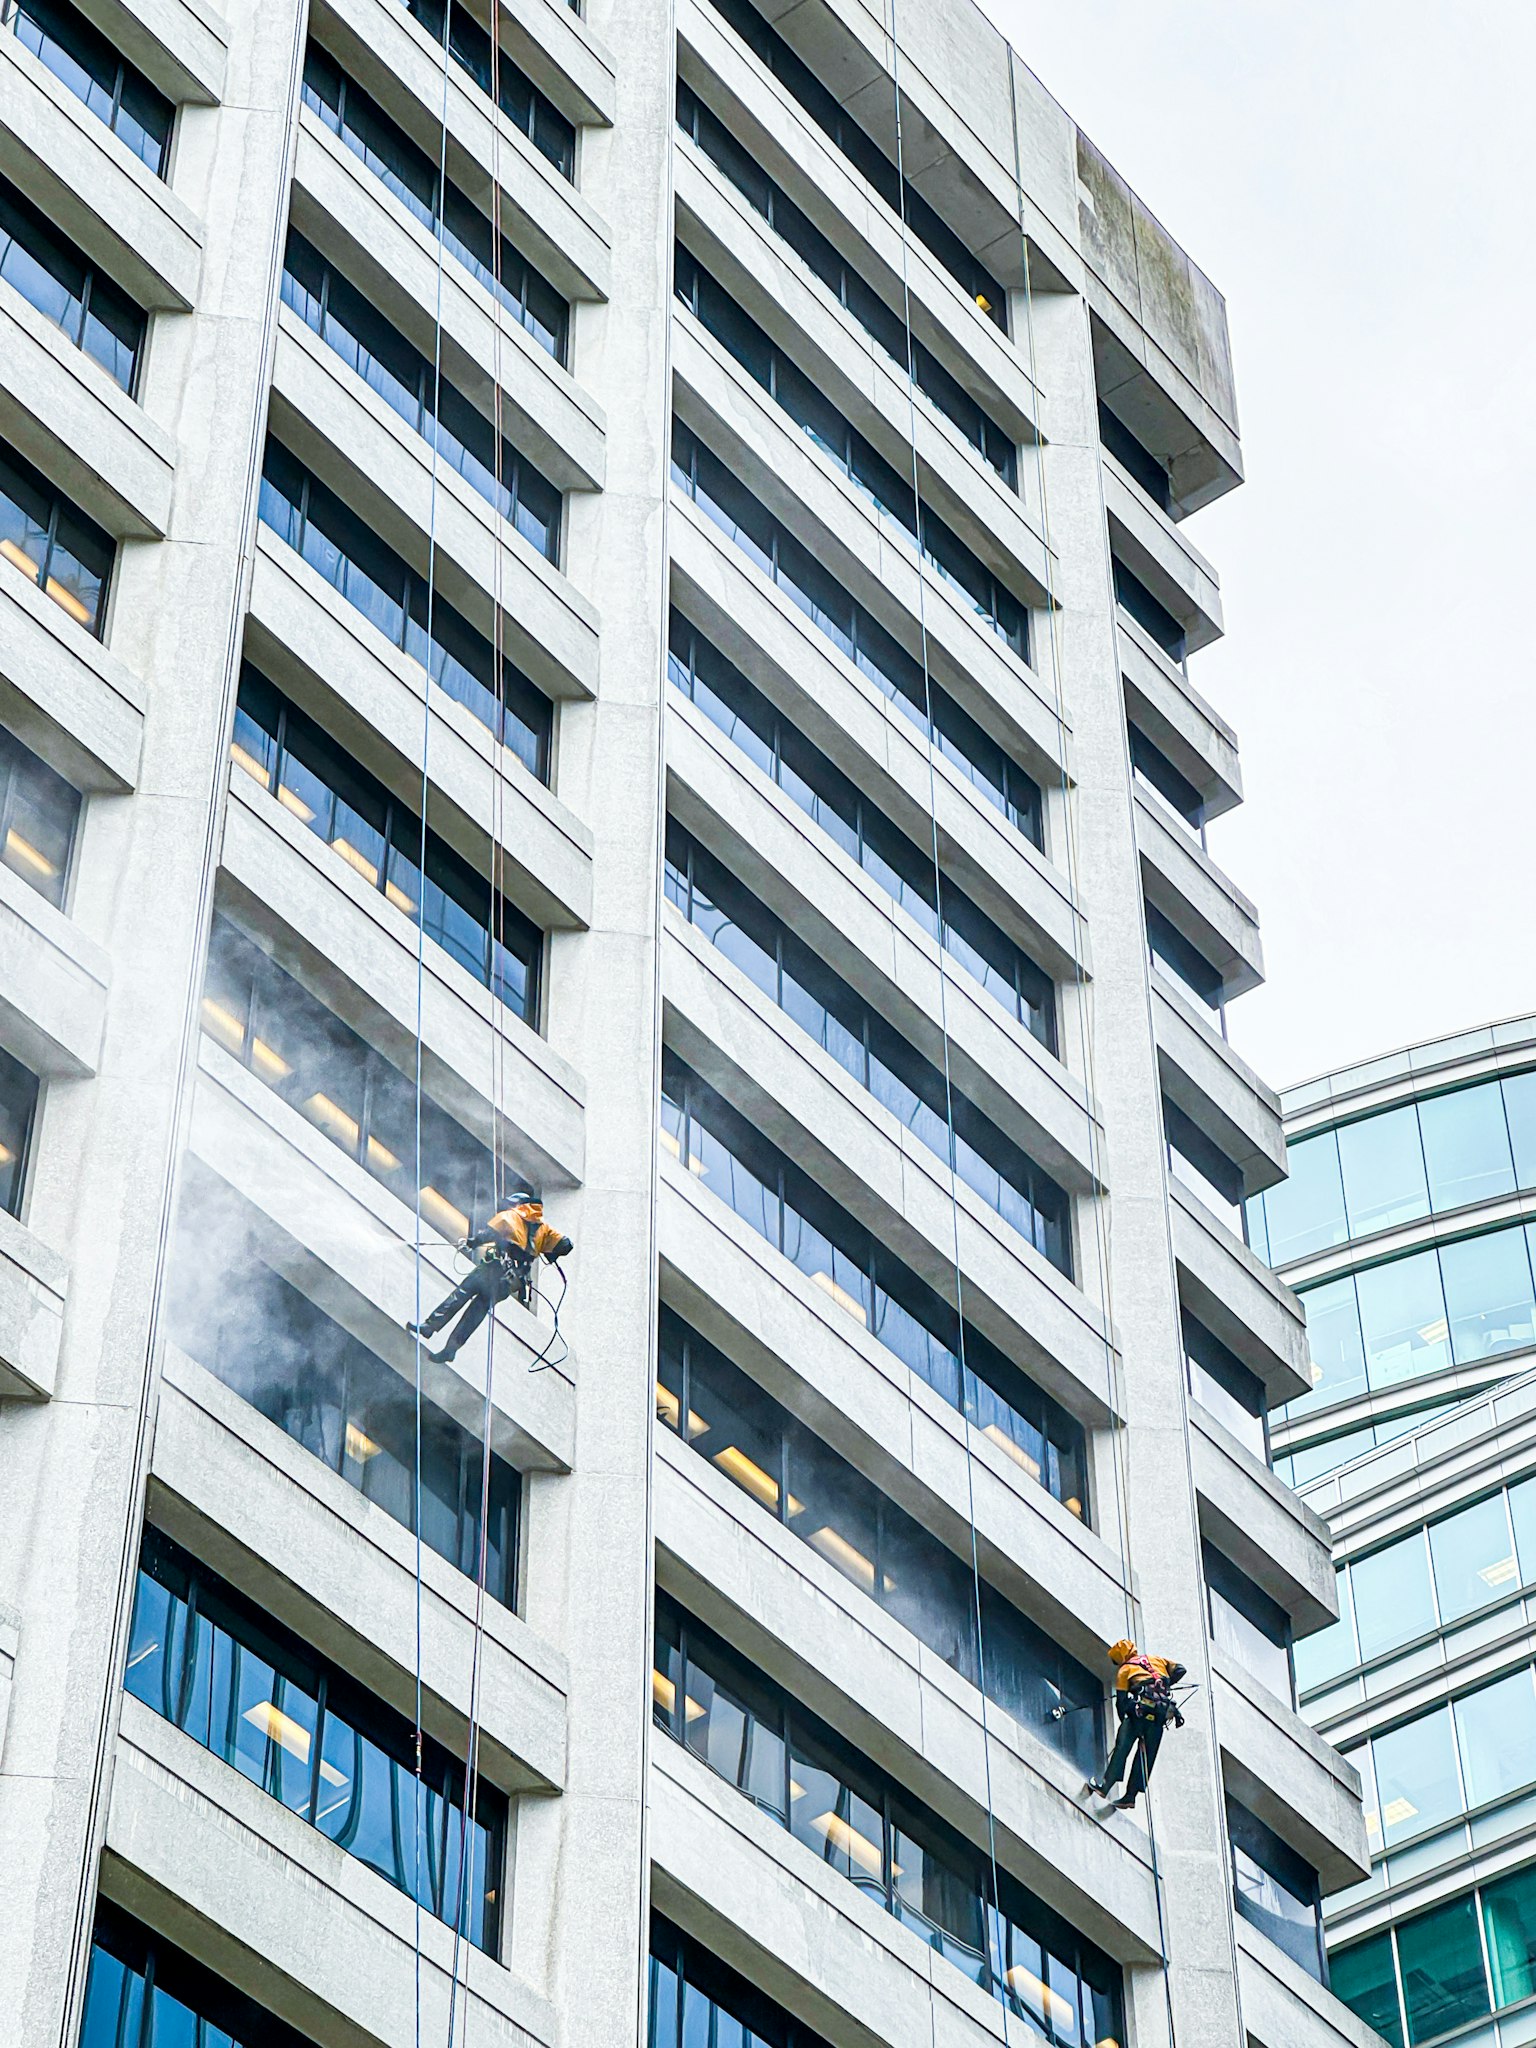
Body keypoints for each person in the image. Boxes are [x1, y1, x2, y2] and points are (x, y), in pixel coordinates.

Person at [408, 1191, 572, 1363]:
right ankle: (451, 1349)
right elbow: (566, 1245)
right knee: (475, 1313)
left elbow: (489, 1234)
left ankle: (429, 1327)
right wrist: (551, 1253)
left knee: (460, 1295)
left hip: (491, 1270)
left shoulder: (510, 1216)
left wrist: (472, 1242)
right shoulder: (544, 1229)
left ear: (519, 1204)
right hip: (508, 1283)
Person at [1088, 1638, 1186, 1810]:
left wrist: (1125, 1720)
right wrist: (1165, 1685)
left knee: (1122, 1749)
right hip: (1159, 1716)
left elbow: (1121, 1701)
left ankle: (1105, 1787)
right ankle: (1130, 1796)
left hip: (1139, 1715)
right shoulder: (1157, 1660)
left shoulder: (1124, 1670)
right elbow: (1180, 1669)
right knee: (1145, 1757)